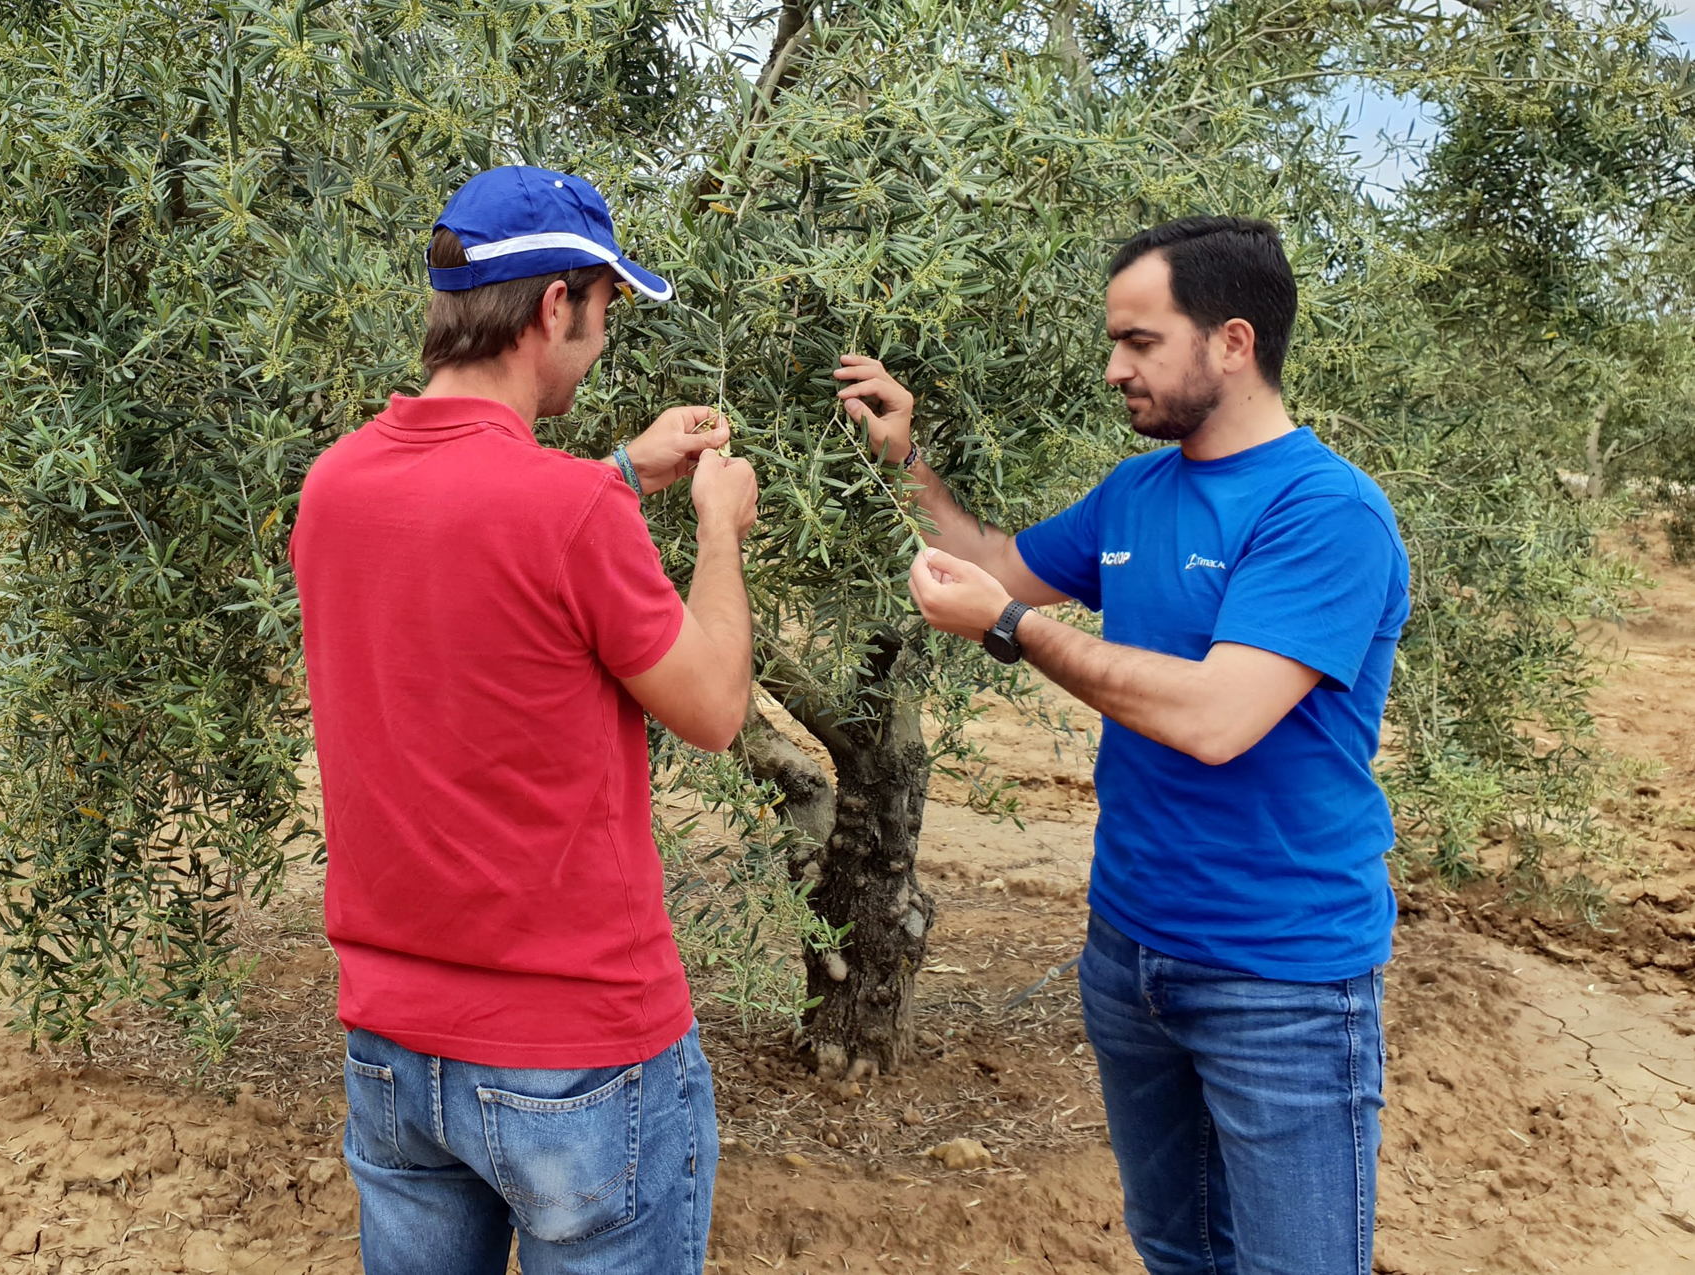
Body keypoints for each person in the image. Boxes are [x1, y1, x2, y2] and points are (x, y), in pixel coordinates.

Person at [834, 216, 1410, 1275]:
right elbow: (996, 565)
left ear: (1230, 343)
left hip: (1278, 978)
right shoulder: (1137, 493)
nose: (1112, 369)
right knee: (1177, 1249)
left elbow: (1213, 717)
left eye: (1139, 343)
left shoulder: (1322, 512)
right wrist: (903, 458)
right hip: (1129, 951)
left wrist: (1013, 632)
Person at [291, 166, 759, 1275]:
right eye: (603, 313)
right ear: (556, 306)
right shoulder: (569, 511)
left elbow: (473, 539)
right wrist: (718, 527)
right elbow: (713, 709)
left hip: (394, 1051)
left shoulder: (334, 484)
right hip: (579, 1057)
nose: (599, 342)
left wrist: (619, 473)